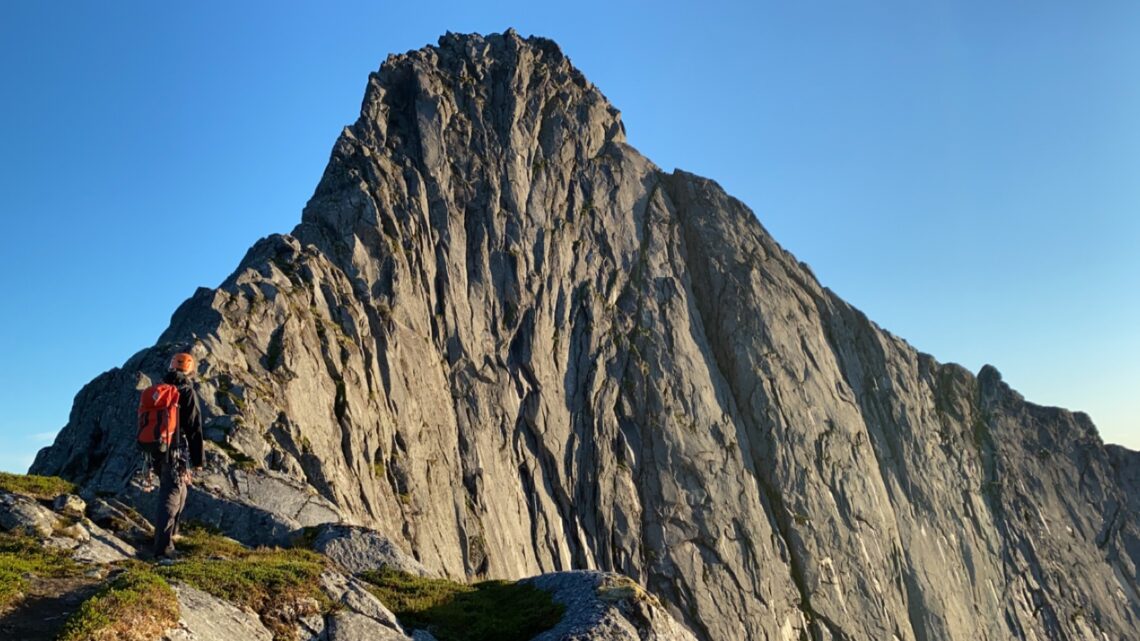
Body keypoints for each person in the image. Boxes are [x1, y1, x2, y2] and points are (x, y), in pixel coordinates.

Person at [152, 352, 203, 559]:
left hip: (155, 449)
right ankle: (163, 548)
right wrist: (198, 459)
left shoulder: (159, 389)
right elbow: (194, 427)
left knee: (179, 492)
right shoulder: (186, 390)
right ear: (190, 370)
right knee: (172, 494)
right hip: (176, 450)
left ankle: (170, 535)